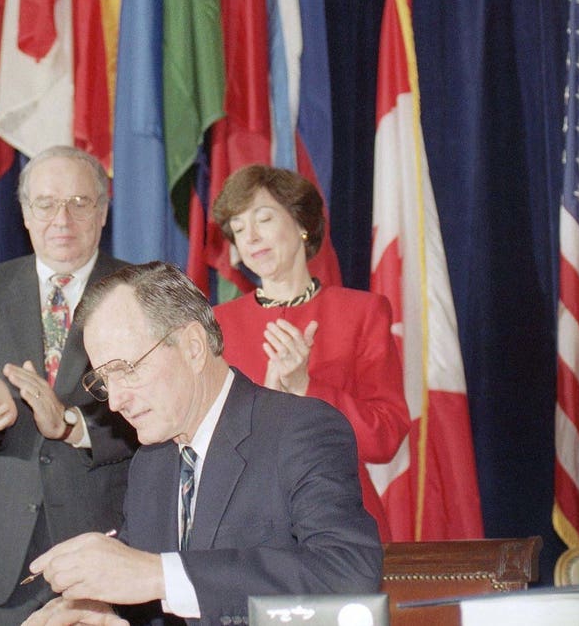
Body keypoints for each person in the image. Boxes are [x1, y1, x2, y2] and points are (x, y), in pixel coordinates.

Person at [22, 262, 382, 626]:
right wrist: (102, 608)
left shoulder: (297, 430)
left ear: (193, 347)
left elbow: (348, 572)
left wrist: (157, 575)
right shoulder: (151, 463)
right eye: (104, 380)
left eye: (126, 369)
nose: (115, 401)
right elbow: (144, 582)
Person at [0, 145, 138, 625]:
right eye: (45, 203)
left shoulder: (138, 289)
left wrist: (70, 425)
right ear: (24, 213)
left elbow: (164, 414)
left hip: (104, 542)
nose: (62, 218)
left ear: (103, 212)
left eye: (80, 203)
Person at [209, 164, 410, 532]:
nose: (250, 237)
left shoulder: (362, 312)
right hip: (247, 529)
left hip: (342, 524)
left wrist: (306, 386)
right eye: (238, 229)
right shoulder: (216, 325)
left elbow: (385, 438)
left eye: (263, 219)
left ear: (302, 223)